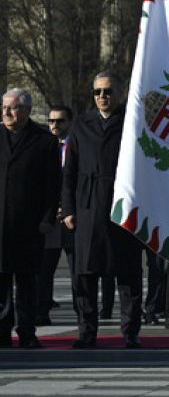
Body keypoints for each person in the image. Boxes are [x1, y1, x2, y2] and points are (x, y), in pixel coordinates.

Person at [63, 72, 146, 349]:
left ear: (119, 93)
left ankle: (130, 331)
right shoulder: (81, 125)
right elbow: (69, 172)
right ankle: (87, 332)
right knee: (84, 275)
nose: (102, 97)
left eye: (108, 91)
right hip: (87, 208)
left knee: (128, 274)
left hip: (122, 206)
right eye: (97, 92)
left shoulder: (132, 122)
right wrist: (69, 209)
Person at [0, 88, 61, 349]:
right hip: (1, 224)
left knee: (26, 281)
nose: (6, 112)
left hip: (29, 223)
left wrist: (48, 218)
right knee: (1, 283)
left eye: (12, 108)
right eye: (3, 108)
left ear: (26, 109)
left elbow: (52, 185)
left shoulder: (44, 141)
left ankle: (27, 331)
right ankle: (2, 332)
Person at [37, 105, 74, 328]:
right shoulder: (42, 146)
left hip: (70, 217)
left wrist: (67, 207)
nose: (54, 125)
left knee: (78, 269)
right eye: (51, 121)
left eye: (59, 121)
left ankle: (84, 316)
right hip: (50, 218)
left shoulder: (75, 146)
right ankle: (42, 311)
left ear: (69, 122)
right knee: (44, 270)